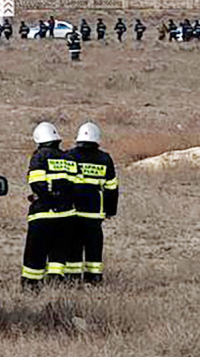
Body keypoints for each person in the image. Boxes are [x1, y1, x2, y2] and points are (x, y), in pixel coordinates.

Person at [22, 122, 76, 289]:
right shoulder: (68, 158)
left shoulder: (39, 156)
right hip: (66, 214)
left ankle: (31, 283)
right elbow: (75, 185)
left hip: (43, 213)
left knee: (35, 250)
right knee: (59, 249)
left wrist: (48, 200)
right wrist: (61, 201)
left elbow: (37, 183)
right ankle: (55, 280)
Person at [65, 122, 119, 284]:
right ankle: (94, 277)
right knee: (94, 245)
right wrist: (110, 210)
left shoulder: (69, 156)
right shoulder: (105, 159)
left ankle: (72, 278)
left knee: (73, 244)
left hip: (73, 210)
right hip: (94, 211)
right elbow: (111, 187)